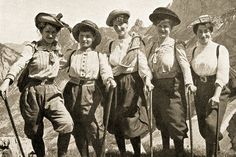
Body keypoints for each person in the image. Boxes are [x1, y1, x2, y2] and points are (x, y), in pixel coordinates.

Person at [0, 12, 74, 157]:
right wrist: (7, 81)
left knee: (67, 124)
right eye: (47, 31)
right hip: (32, 92)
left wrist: (69, 30)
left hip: (52, 91)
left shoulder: (57, 50)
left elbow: (72, 51)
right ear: (40, 31)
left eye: (54, 32)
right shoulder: (32, 47)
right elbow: (20, 64)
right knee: (35, 132)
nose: (50, 35)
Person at [61, 20, 117, 157]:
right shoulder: (72, 54)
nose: (84, 39)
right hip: (72, 91)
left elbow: (105, 71)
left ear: (93, 38)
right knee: (77, 128)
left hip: (91, 92)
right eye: (81, 36)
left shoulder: (99, 56)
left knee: (95, 127)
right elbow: (58, 64)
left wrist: (109, 80)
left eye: (88, 36)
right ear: (78, 37)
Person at [147, 7, 196, 157]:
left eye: (166, 26)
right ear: (156, 26)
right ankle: (166, 150)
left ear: (171, 28)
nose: (163, 29)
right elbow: (149, 68)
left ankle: (179, 152)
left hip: (173, 87)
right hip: (157, 87)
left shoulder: (176, 44)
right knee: (161, 120)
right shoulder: (153, 46)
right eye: (160, 26)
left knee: (175, 119)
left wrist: (189, 83)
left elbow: (185, 65)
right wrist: (147, 80)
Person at [105, 9, 154, 157]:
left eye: (123, 24)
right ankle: (122, 153)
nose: (120, 28)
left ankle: (137, 153)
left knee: (131, 119)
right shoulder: (111, 44)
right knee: (117, 120)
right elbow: (108, 65)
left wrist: (147, 80)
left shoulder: (135, 42)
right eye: (116, 25)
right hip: (115, 84)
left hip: (132, 84)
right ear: (113, 27)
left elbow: (143, 64)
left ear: (128, 24)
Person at [190, 15, 230, 157]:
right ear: (196, 33)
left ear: (211, 32)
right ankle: (216, 147)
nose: (203, 34)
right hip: (200, 91)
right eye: (200, 31)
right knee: (203, 128)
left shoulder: (220, 49)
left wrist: (216, 95)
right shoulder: (195, 50)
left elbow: (222, 73)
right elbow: (193, 71)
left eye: (206, 31)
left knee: (211, 127)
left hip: (217, 89)